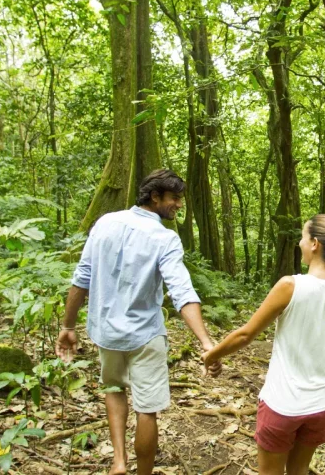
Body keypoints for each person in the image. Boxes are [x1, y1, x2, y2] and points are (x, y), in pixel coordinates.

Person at [57, 169, 218, 475]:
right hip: (145, 336)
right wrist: (206, 343)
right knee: (147, 409)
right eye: (174, 198)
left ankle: (119, 461)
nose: (179, 205)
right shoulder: (164, 238)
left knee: (114, 388)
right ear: (154, 197)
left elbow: (82, 278)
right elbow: (182, 291)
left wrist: (68, 327)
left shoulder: (105, 223)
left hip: (106, 332)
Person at [203, 214, 325, 475]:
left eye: (303, 237)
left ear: (314, 243)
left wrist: (212, 354)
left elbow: (246, 335)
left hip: (283, 404)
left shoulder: (290, 285)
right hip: (323, 407)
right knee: (299, 470)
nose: (299, 243)